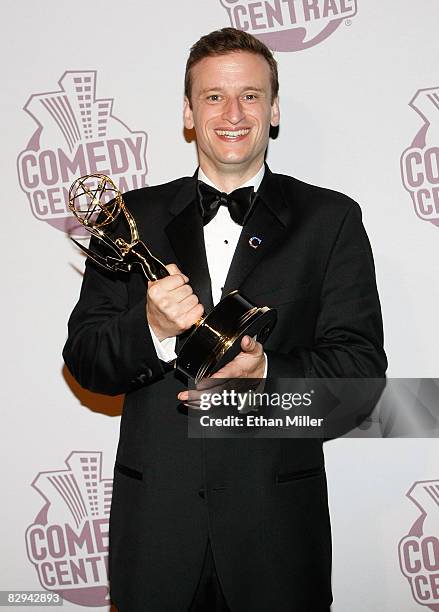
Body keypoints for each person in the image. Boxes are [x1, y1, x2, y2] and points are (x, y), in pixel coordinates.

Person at [63, 27, 387, 611]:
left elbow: (361, 379)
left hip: (278, 538)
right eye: (213, 96)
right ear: (189, 112)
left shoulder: (331, 220)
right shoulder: (127, 218)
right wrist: (153, 330)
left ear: (274, 107)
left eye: (250, 95)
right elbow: (86, 359)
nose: (232, 113)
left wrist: (267, 375)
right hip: (156, 538)